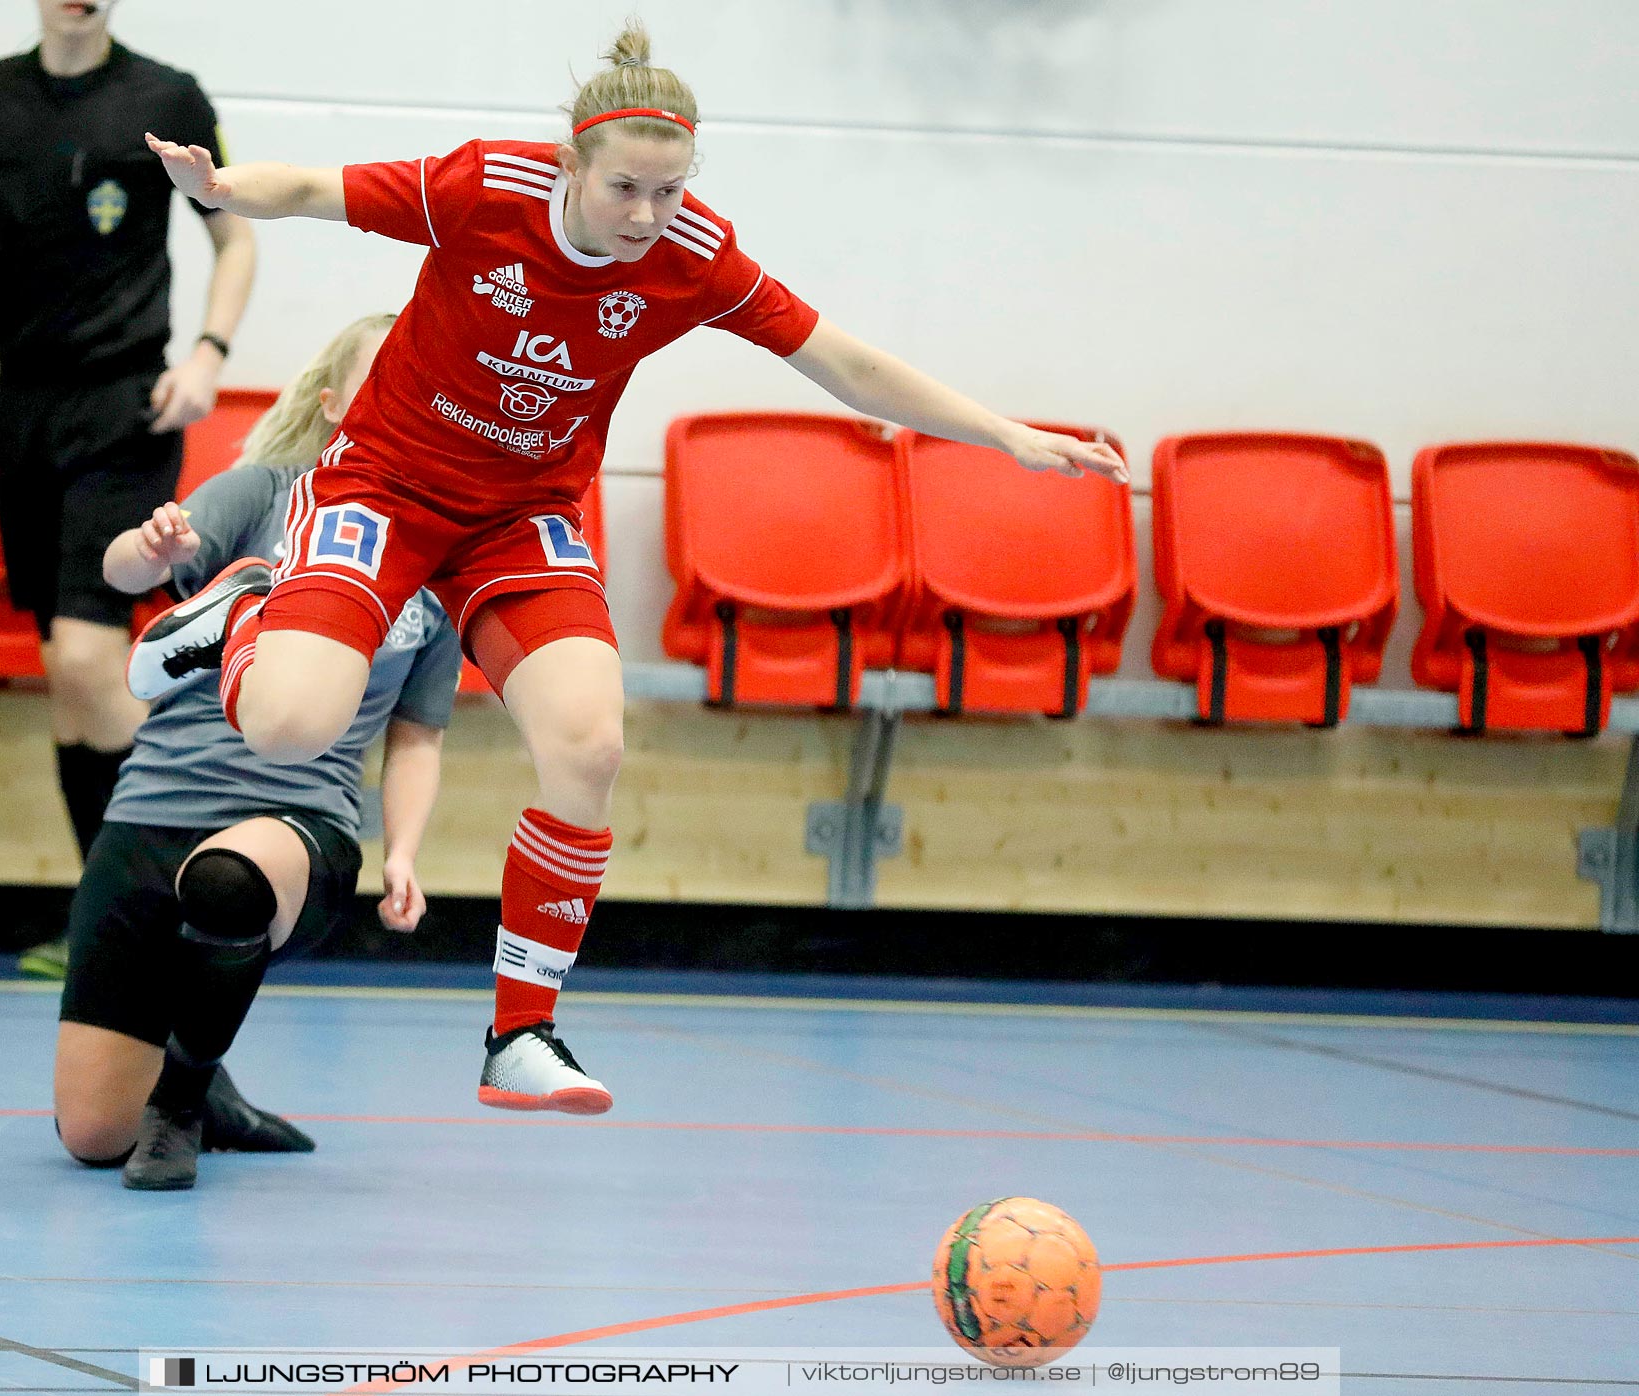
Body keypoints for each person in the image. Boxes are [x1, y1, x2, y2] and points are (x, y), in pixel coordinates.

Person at [129, 21, 1127, 1117]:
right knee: (287, 726)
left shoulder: (690, 253)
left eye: (669, 190)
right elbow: (319, 188)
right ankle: (240, 618)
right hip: (386, 487)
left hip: (523, 515)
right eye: (626, 190)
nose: (649, 216)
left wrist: (1006, 434)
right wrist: (223, 189)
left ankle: (520, 1030)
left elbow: (845, 361)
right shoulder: (484, 189)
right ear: (570, 165)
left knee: (591, 744)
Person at [55, 313, 461, 1191]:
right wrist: (153, 548)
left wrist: (402, 853)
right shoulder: (262, 495)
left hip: (293, 825)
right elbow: (123, 571)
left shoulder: (442, 561)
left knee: (228, 881)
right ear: (333, 406)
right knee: (90, 1136)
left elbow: (418, 734)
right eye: (384, 382)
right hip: (152, 810)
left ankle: (184, 1102)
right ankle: (207, 1077)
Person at [0, 0, 257, 978]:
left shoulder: (164, 96)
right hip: (26, 409)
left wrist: (209, 356)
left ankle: (193, 885)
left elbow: (237, 240)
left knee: (94, 663)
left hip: (127, 412)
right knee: (65, 675)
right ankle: (108, 917)